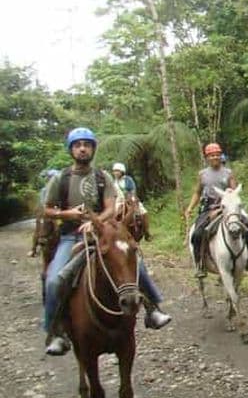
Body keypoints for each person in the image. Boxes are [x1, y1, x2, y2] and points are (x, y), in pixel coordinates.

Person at [42, 127, 172, 356]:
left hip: (104, 234)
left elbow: (111, 208)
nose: (82, 148)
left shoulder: (103, 177)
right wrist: (69, 214)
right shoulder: (60, 179)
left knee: (135, 264)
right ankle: (56, 332)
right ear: (71, 150)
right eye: (77, 145)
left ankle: (153, 309)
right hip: (70, 235)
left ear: (93, 149)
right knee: (54, 281)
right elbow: (47, 210)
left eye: (87, 144)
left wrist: (95, 222)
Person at [184, 143, 248, 275]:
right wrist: (190, 208)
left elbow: (234, 190)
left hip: (228, 205)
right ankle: (200, 264)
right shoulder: (202, 174)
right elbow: (197, 193)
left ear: (221, 155)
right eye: (211, 155)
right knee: (197, 234)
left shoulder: (228, 173)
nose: (215, 157)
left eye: (217, 154)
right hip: (209, 207)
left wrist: (230, 191)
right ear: (207, 158)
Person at [111, 162, 151, 240]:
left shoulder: (128, 180)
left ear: (122, 171)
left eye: (117, 171)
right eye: (114, 171)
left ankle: (147, 232)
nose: (115, 173)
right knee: (113, 213)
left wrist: (130, 198)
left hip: (130, 198)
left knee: (143, 211)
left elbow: (133, 190)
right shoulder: (113, 182)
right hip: (119, 201)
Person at [28, 169, 59, 257]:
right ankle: (34, 248)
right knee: (39, 228)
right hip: (45, 212)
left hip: (56, 210)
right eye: (50, 178)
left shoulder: (60, 188)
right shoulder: (44, 190)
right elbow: (43, 203)